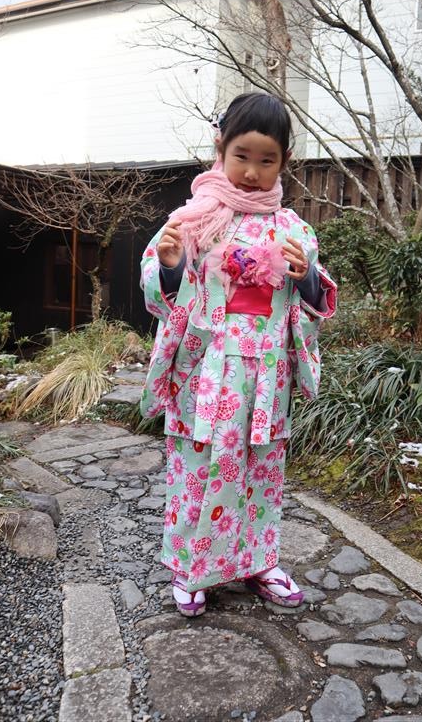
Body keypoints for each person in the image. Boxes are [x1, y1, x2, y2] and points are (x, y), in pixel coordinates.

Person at [140, 92, 337, 617]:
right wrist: (172, 267)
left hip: (267, 370)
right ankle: (190, 567)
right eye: (241, 156)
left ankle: (258, 561)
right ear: (220, 149)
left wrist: (305, 278)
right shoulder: (192, 220)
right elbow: (156, 291)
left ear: (284, 161)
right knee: (198, 465)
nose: (252, 172)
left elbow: (314, 297)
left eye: (266, 160)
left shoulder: (294, 229)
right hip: (207, 368)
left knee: (261, 469)